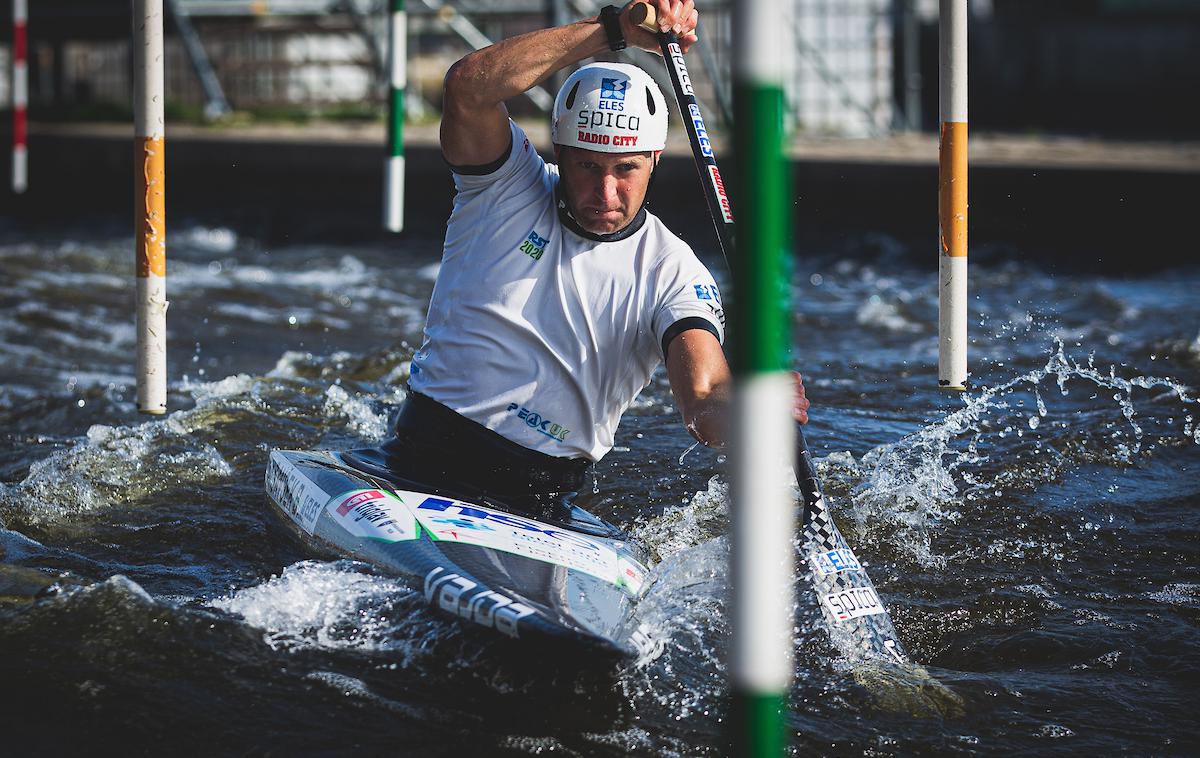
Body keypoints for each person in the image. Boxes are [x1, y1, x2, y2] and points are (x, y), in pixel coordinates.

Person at [360, 0, 808, 512]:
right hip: (418, 459)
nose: (606, 191)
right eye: (588, 165)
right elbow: (468, 87)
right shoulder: (504, 189)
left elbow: (704, 400)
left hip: (539, 499)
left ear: (655, 160)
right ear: (559, 151)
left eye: (626, 169)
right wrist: (612, 30)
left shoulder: (673, 272)